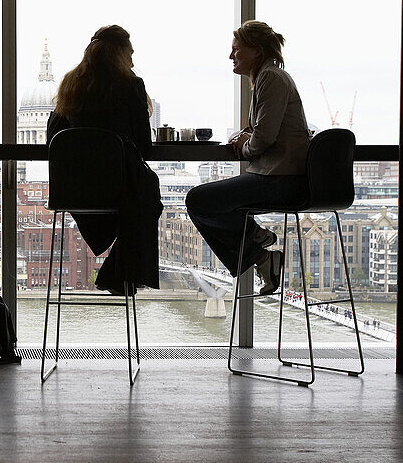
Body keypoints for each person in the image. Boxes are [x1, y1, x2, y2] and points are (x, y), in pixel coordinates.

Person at [184, 20, 311, 295]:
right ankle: (260, 250)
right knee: (208, 202)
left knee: (198, 200)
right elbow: (263, 131)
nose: (231, 56)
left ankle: (259, 248)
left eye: (237, 49)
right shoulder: (268, 77)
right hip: (278, 175)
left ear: (257, 50)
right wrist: (246, 136)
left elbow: (264, 139)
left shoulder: (271, 78)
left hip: (281, 179)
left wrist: (243, 147)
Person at [46, 24, 163, 295]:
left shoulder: (71, 84)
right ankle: (119, 275)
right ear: (120, 53)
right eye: (130, 53)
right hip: (116, 190)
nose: (133, 61)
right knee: (147, 196)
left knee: (141, 198)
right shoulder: (130, 85)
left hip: (72, 191)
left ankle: (117, 273)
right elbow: (144, 148)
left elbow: (53, 139)